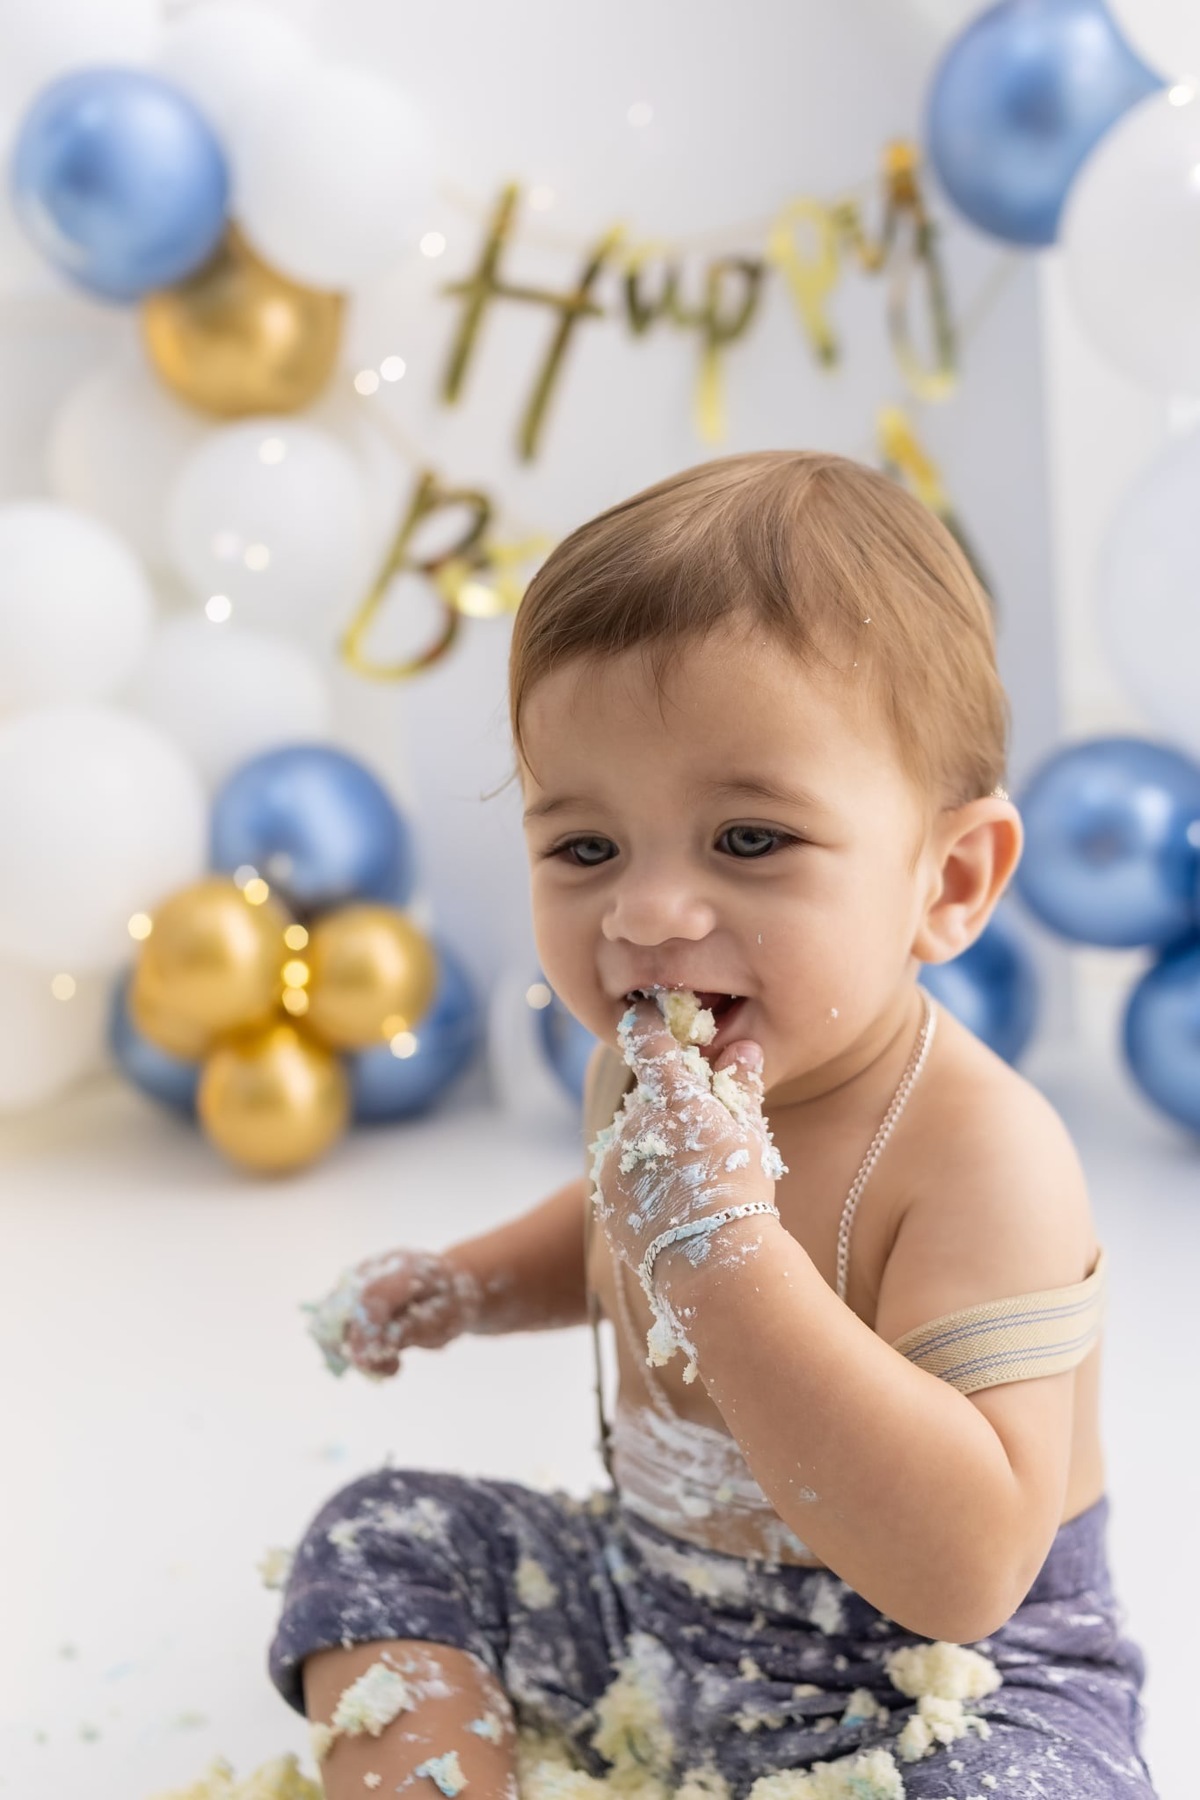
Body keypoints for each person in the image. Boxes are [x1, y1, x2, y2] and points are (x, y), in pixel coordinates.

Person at [267, 452, 1157, 1799]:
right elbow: (608, 1228)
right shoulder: (639, 1078)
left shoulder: (982, 1155)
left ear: (949, 879)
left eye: (749, 840)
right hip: (658, 1613)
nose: (647, 914)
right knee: (382, 1536)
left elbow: (969, 1571)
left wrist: (731, 1256)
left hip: (941, 1682)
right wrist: (469, 1284)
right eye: (586, 848)